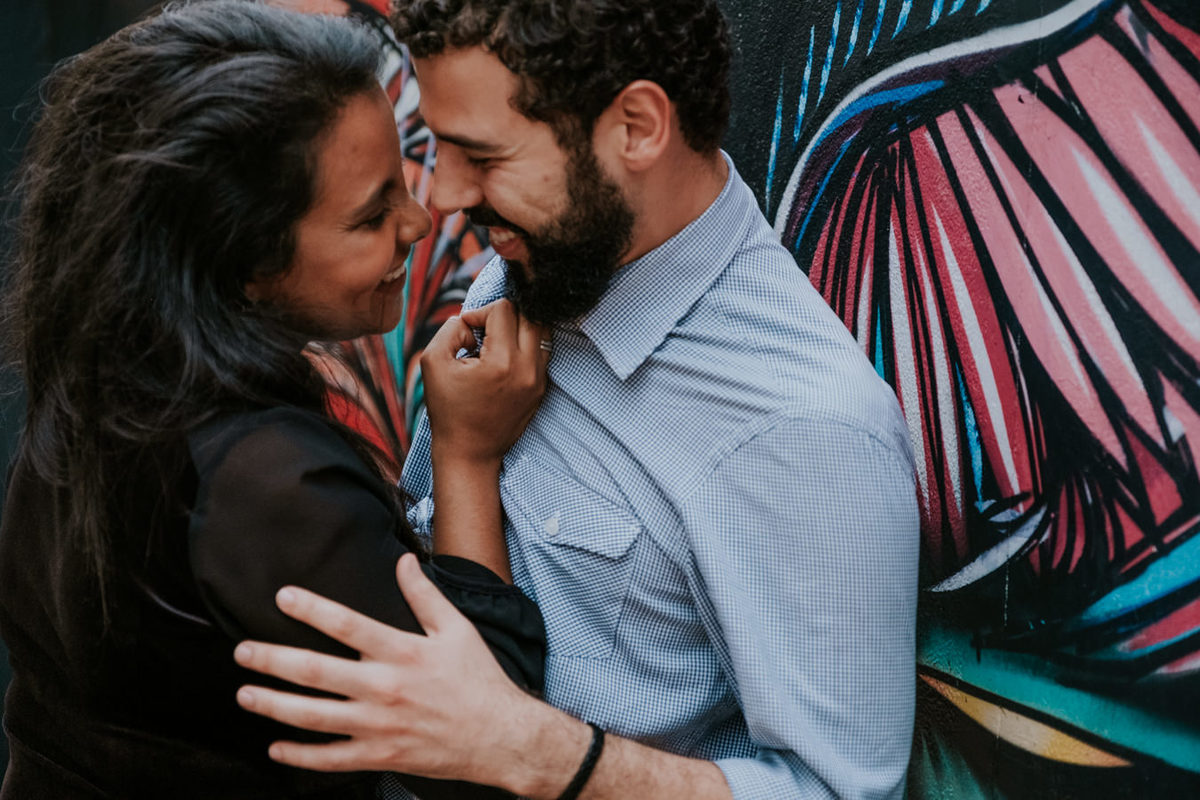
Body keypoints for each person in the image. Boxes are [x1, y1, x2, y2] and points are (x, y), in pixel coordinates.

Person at [234, 0, 922, 798]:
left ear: (636, 127)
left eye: (481, 157)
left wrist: (538, 753)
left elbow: (836, 792)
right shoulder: (544, 261)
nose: (444, 196)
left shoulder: (802, 432)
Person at [0, 2, 551, 798]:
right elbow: (487, 755)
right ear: (246, 262)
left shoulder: (103, 390)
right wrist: (466, 456)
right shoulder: (269, 485)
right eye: (372, 214)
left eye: (404, 179)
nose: (417, 219)